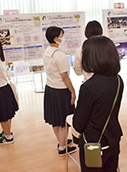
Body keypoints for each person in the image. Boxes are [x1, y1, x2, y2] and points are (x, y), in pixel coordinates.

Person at [73, 35, 124, 172]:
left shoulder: (89, 86)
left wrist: (75, 136)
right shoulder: (118, 80)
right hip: (112, 139)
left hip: (93, 143)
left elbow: (79, 121)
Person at [43, 26, 77, 156]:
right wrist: (73, 90)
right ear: (56, 38)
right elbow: (65, 76)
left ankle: (61, 141)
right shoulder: (60, 56)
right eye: (62, 35)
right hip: (61, 91)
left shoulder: (47, 52)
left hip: (50, 89)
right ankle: (62, 148)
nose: (63, 38)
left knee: (56, 120)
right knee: (64, 121)